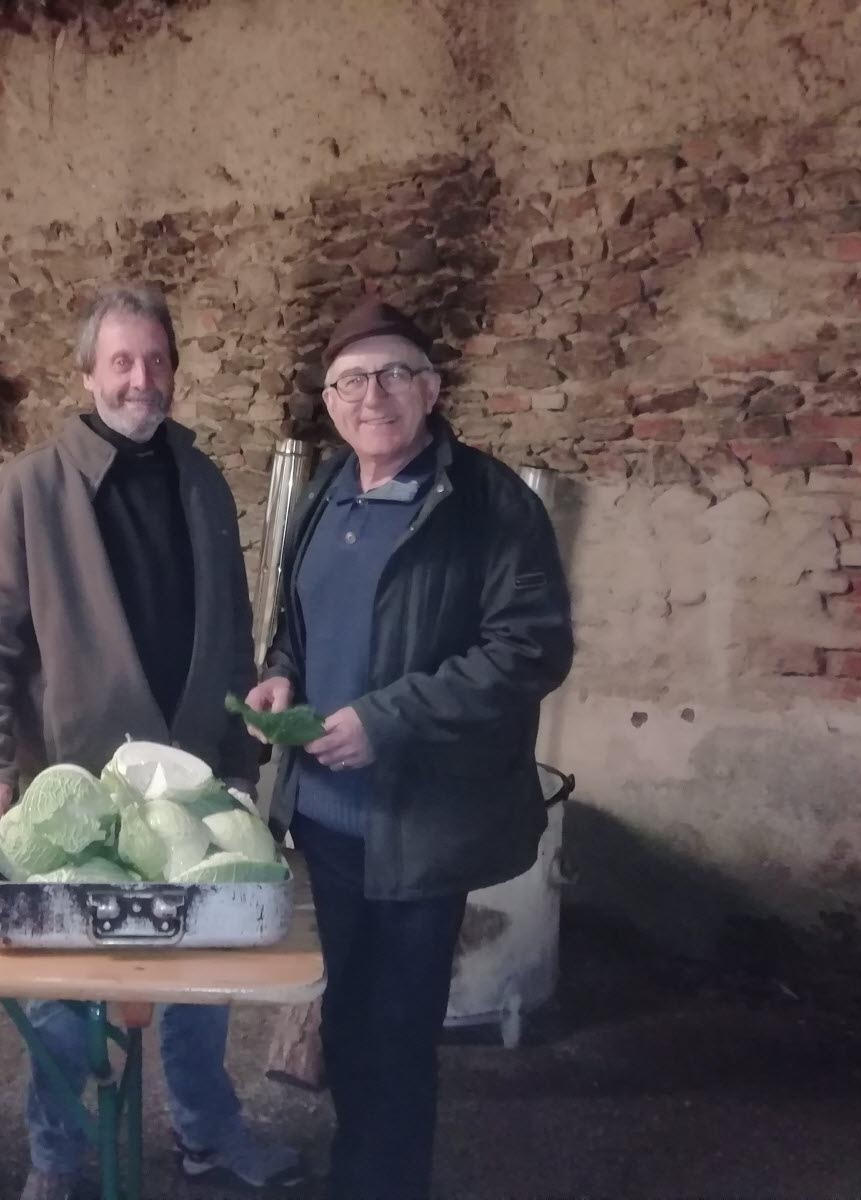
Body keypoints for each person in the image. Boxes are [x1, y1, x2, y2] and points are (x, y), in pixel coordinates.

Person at [0, 283, 303, 1200]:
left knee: (200, 985)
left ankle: (205, 1133)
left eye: (155, 360)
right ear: (87, 374)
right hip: (76, 793)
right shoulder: (32, 490)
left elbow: (228, 629)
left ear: (174, 370)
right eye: (120, 362)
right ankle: (57, 1158)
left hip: (191, 785)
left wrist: (238, 762)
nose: (140, 379)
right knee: (65, 1001)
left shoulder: (203, 482)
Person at [246, 297, 574, 1200]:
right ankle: (361, 1173)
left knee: (394, 1038)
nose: (373, 395)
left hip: (422, 824)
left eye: (395, 374)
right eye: (351, 381)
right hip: (324, 818)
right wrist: (281, 675)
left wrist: (385, 721)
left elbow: (529, 649)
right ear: (330, 402)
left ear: (431, 389)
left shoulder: (489, 502)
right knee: (347, 1020)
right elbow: (297, 623)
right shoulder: (326, 491)